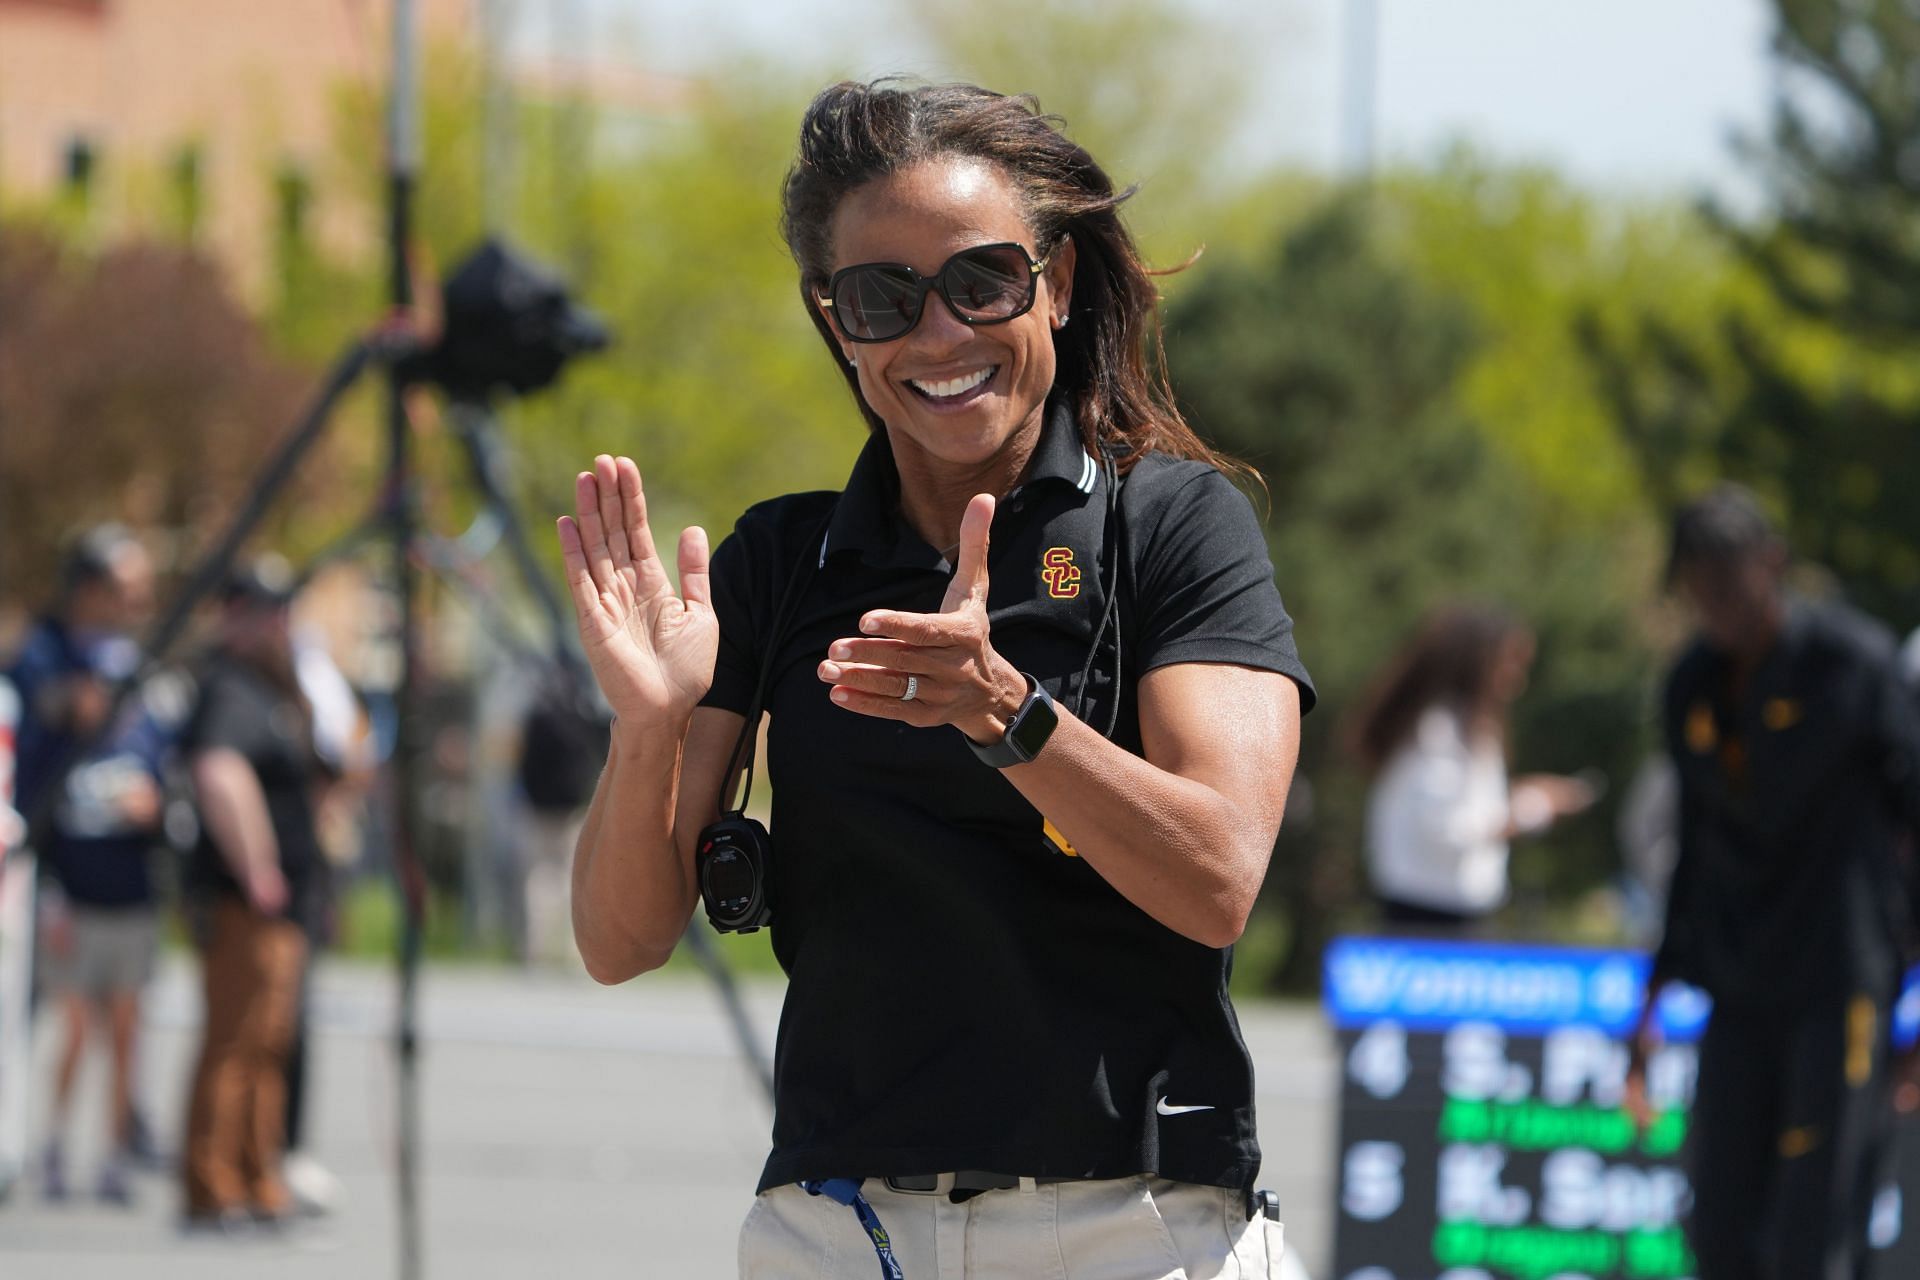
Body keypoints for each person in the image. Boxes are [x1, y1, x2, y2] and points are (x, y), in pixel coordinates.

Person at [560, 79, 1310, 1278]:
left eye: (983, 280)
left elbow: (1219, 876)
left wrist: (1005, 713)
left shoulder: (1172, 525)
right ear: (836, 320)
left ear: (1055, 286)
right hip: (839, 1225)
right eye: (883, 297)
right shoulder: (780, 559)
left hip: (1134, 1227)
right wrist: (647, 726)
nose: (940, 332)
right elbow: (619, 938)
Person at [1624, 485, 1920, 1280]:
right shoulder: (1693, 685)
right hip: (1741, 977)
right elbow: (1692, 847)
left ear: (1772, 565)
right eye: (1699, 586)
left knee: (1815, 1226)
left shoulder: (1853, 667)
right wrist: (1654, 998)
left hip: (1844, 976)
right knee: (1719, 1222)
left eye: (1731, 579)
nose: (1718, 603)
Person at [7, 524, 169, 1204]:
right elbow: (33, 724)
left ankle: (113, 1149)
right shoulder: (43, 654)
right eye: (125, 588)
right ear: (91, 587)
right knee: (69, 1019)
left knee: (125, 1021)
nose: (136, 601)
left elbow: (164, 744)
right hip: (59, 869)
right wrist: (67, 707)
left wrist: (157, 796)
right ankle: (43, 1146)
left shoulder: (139, 661)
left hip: (127, 870)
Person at [179, 559, 328, 1231]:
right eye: (266, 610)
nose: (278, 623)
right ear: (234, 616)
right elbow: (218, 774)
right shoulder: (230, 688)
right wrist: (258, 867)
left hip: (281, 904)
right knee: (237, 1043)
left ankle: (256, 1175)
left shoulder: (270, 687)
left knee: (268, 1045)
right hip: (250, 903)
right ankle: (213, 1184)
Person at [1348, 605, 1595, 931]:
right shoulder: (1440, 731)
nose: (1517, 677)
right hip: (1427, 915)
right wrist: (1533, 807)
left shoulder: (1466, 728)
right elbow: (1447, 829)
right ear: (1478, 663)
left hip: (1449, 908)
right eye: (1510, 663)